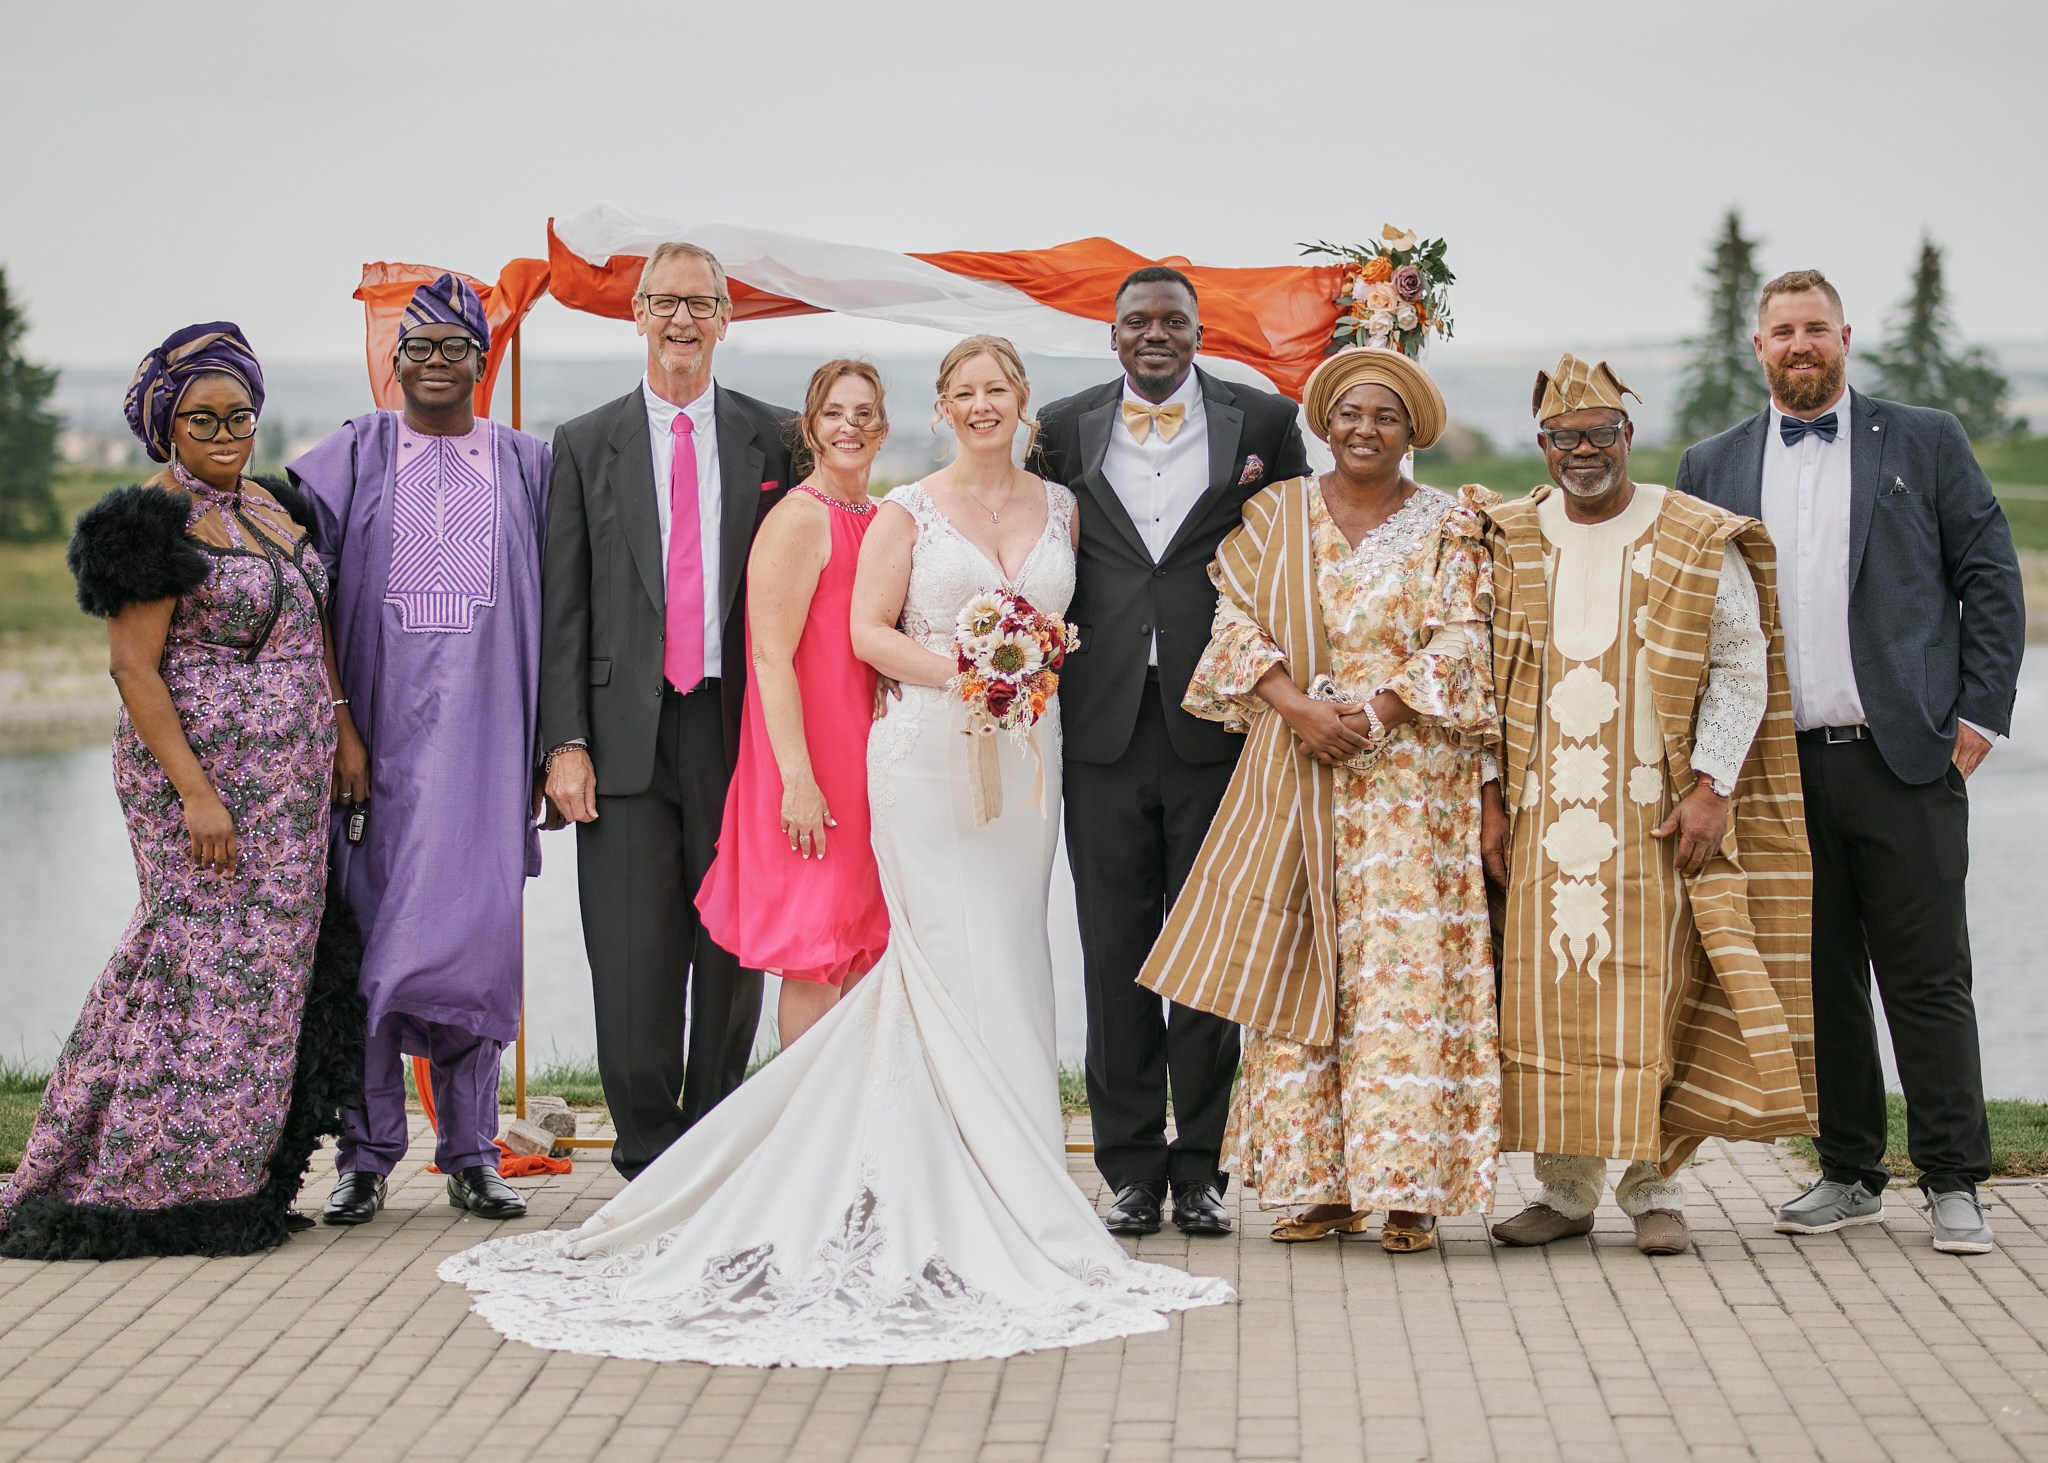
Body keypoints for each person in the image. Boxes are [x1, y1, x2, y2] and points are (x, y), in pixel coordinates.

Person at [440, 336, 1232, 1367]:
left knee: (1006, 956)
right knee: (909, 956)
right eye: (962, 391)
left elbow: (1074, 616)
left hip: (1023, 762)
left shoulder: (1060, 507)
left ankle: (1005, 1157)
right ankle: (842, 1162)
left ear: (1019, 401)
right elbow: (840, 637)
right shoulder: (885, 511)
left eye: (998, 388)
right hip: (911, 752)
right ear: (936, 408)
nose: (979, 403)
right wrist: (963, 676)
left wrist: (1040, 655)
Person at [1676, 271, 2026, 1255]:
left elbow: (1989, 576)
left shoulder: (1923, 439)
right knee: (1817, 976)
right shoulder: (1709, 463)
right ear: (1758, 347)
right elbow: (1680, 619)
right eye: (1781, 330)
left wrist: (1979, 716)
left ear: (1843, 337)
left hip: (1902, 751)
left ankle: (1954, 1178)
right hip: (1772, 767)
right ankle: (1846, 1169)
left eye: (1814, 328)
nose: (1799, 343)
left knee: (1925, 974)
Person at [0, 324, 363, 1259]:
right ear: (165, 425)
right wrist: (198, 794)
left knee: (269, 978)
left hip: (291, 791)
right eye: (202, 416)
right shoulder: (148, 522)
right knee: (192, 966)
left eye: (241, 412)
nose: (226, 430)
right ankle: (131, 1174)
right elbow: (134, 671)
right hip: (197, 787)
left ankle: (241, 1183)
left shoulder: (278, 511)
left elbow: (313, 632)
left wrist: (342, 727)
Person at [1139, 347, 1501, 1253]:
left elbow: (1465, 637)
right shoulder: (1275, 515)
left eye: (1384, 416)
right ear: (1322, 423)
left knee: (1405, 980)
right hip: (1296, 771)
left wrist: (1373, 713)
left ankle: (1410, 1188)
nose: (1365, 430)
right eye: (1349, 414)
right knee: (1301, 966)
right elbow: (1234, 621)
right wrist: (1299, 709)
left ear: (1411, 430)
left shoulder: (1448, 525)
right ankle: (1319, 1186)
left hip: (1411, 789)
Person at [1481, 354, 1814, 1257]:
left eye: (1599, 433)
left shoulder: (1697, 534)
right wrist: (1491, 804)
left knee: (1657, 994)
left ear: (1628, 435)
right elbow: (1480, 677)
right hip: (1545, 813)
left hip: (1654, 812)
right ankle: (1565, 1190)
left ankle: (1655, 1188)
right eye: (1563, 437)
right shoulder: (1509, 533)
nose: (1582, 451)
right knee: (1547, 1003)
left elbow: (1741, 666)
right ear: (1542, 444)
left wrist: (1712, 788)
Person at [1032, 266, 1310, 1238]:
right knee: (1113, 953)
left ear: (1199, 332)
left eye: (1172, 321)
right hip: (1097, 720)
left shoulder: (1264, 424)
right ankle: (1129, 1170)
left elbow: (1295, 553)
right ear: (1112, 337)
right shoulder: (1061, 426)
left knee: (1208, 949)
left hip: (1219, 719)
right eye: (1136, 322)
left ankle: (1201, 1167)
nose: (1154, 334)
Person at [289, 274, 552, 1226]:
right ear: (393, 363)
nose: (436, 365)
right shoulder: (355, 457)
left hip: (487, 751)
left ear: (484, 364)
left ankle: (471, 1152)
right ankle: (365, 1156)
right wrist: (339, 721)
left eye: (455, 350)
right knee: (371, 948)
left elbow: (561, 614)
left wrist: (552, 746)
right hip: (378, 753)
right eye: (420, 349)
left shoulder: (527, 464)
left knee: (476, 951)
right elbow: (295, 588)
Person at [538, 242, 798, 1179]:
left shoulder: (777, 438)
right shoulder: (581, 442)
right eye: (665, 302)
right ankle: (650, 1156)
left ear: (727, 318)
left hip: (739, 733)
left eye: (701, 303)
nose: (682, 320)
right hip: (619, 740)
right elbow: (562, 609)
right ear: (636, 314)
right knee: (632, 958)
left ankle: (717, 1150)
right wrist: (563, 742)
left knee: (731, 956)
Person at [696, 360, 891, 1046]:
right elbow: (770, 658)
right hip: (811, 766)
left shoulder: (877, 519)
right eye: (835, 412)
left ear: (884, 428)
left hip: (869, 766)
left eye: (864, 413)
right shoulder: (797, 521)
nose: (850, 426)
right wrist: (799, 782)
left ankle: (852, 1123)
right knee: (816, 955)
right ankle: (807, 1131)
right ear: (809, 429)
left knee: (862, 949)